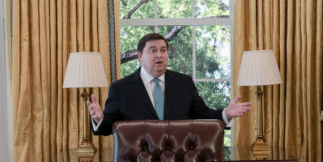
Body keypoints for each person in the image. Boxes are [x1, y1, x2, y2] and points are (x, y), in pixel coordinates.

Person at [87, 32, 251, 136]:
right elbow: (108, 127)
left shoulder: (184, 84)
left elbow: (203, 115)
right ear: (140, 56)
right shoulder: (121, 89)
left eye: (163, 50)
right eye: (153, 50)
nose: (160, 55)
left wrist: (226, 114)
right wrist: (99, 118)